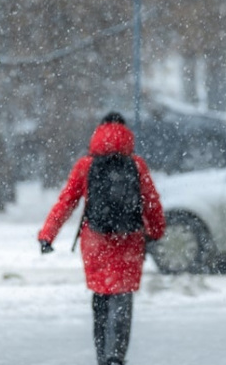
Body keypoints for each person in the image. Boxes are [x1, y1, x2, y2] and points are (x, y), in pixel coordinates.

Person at [37, 112, 165, 365]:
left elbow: (67, 201)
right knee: (122, 296)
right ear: (126, 132)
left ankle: (101, 356)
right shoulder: (136, 165)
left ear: (99, 132)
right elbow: (151, 202)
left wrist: (47, 234)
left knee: (101, 294)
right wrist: (156, 231)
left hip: (95, 239)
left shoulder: (86, 166)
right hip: (129, 240)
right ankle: (115, 355)